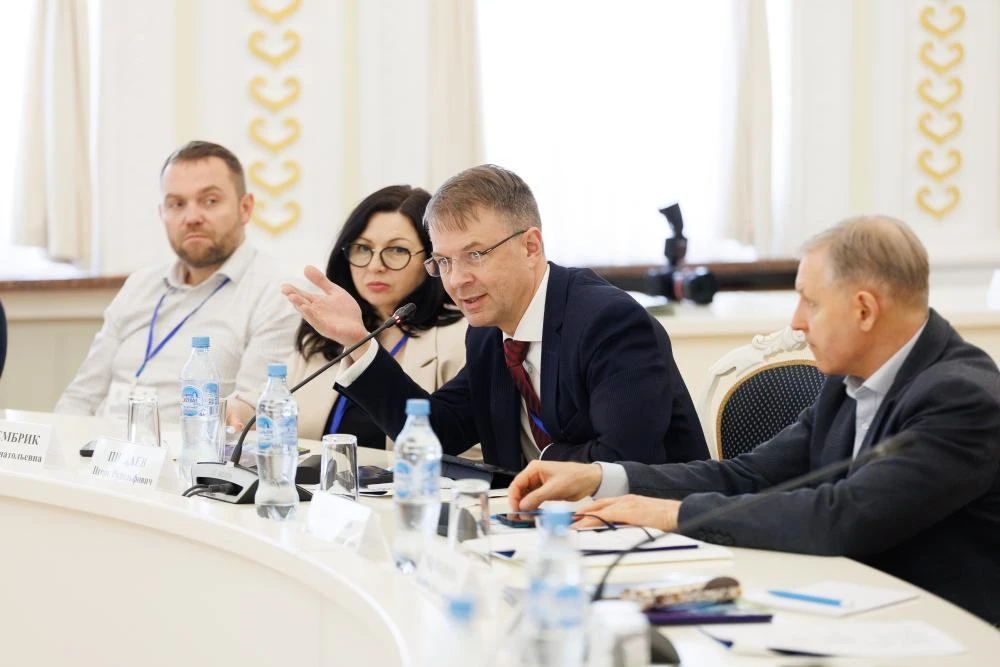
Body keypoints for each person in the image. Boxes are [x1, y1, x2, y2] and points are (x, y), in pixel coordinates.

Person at [508, 216, 1000, 625]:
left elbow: (843, 518)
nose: (797, 322)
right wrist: (603, 478)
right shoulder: (848, 382)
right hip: (849, 611)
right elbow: (750, 474)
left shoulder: (961, 398)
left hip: (945, 633)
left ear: (865, 310)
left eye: (810, 301)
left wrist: (674, 515)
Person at [283, 164, 709, 470]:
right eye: (443, 262)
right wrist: (358, 341)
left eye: (475, 255)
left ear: (530, 247)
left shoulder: (608, 322)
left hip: (652, 535)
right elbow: (439, 432)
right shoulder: (489, 334)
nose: (457, 280)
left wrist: (537, 465)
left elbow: (624, 462)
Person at [56, 141, 298, 421]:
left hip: (189, 446)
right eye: (177, 204)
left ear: (245, 208)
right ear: (162, 213)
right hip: (102, 444)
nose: (192, 217)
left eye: (210, 201)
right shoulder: (140, 285)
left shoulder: (277, 292)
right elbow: (80, 397)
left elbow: (253, 411)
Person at [227, 185, 469, 447]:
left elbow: (466, 449)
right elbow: (271, 408)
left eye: (397, 250)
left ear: (433, 258)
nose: (375, 266)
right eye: (363, 248)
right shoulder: (325, 335)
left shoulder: (460, 336)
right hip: (320, 474)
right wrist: (235, 411)